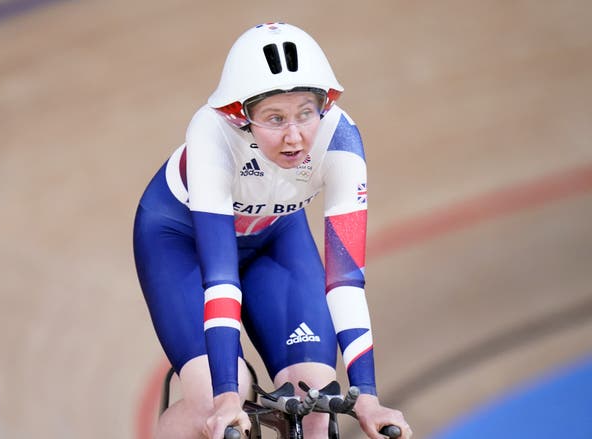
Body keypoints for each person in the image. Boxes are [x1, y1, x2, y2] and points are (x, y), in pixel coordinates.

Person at [133, 22, 413, 439]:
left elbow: (346, 280)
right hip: (184, 244)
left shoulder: (341, 138)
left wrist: (367, 394)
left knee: (316, 401)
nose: (294, 135)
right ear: (239, 117)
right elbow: (221, 278)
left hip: (275, 238)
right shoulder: (212, 133)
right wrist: (228, 396)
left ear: (325, 104)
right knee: (211, 402)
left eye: (305, 112)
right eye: (274, 118)